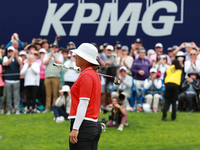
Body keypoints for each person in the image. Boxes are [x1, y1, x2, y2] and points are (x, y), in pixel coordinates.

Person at [68, 43, 102, 150]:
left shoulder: (87, 75)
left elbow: (84, 103)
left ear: (86, 59)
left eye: (79, 55)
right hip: (91, 125)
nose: (75, 56)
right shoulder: (91, 74)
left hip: (84, 125)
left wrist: (75, 128)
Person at [43, 42, 64, 113]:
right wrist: (50, 57)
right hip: (48, 76)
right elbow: (44, 63)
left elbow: (60, 63)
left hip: (56, 76)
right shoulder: (47, 55)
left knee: (55, 93)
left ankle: (54, 107)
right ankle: (47, 107)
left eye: (55, 47)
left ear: (57, 49)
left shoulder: (59, 55)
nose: (53, 49)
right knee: (48, 93)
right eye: (52, 47)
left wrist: (54, 57)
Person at [3, 46, 22, 115]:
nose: (10, 53)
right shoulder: (5, 58)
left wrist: (16, 56)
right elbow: (7, 63)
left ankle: (17, 110)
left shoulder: (18, 58)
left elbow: (20, 63)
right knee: (8, 96)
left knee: (16, 96)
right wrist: (12, 56)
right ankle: (9, 110)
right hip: (8, 80)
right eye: (9, 51)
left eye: (12, 51)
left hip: (16, 80)